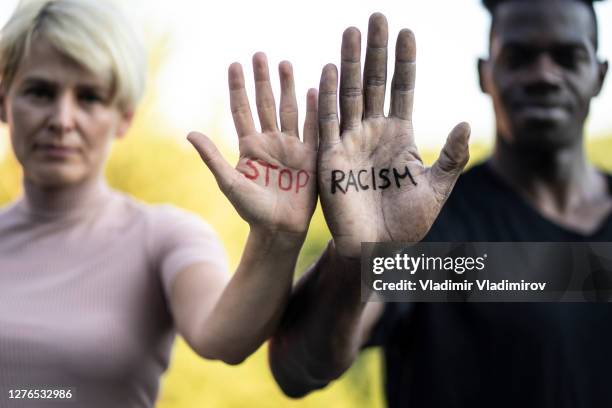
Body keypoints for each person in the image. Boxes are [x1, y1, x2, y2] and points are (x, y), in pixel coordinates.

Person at [268, 1, 612, 407]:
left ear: (599, 74)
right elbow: (299, 367)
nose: (544, 75)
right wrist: (357, 259)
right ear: (485, 73)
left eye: (567, 57)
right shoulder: (428, 229)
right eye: (518, 57)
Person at [0, 1, 317, 407]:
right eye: (40, 92)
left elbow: (223, 335)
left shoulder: (162, 237)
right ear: (5, 101)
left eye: (90, 97)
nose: (63, 119)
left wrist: (277, 237)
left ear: (124, 116)